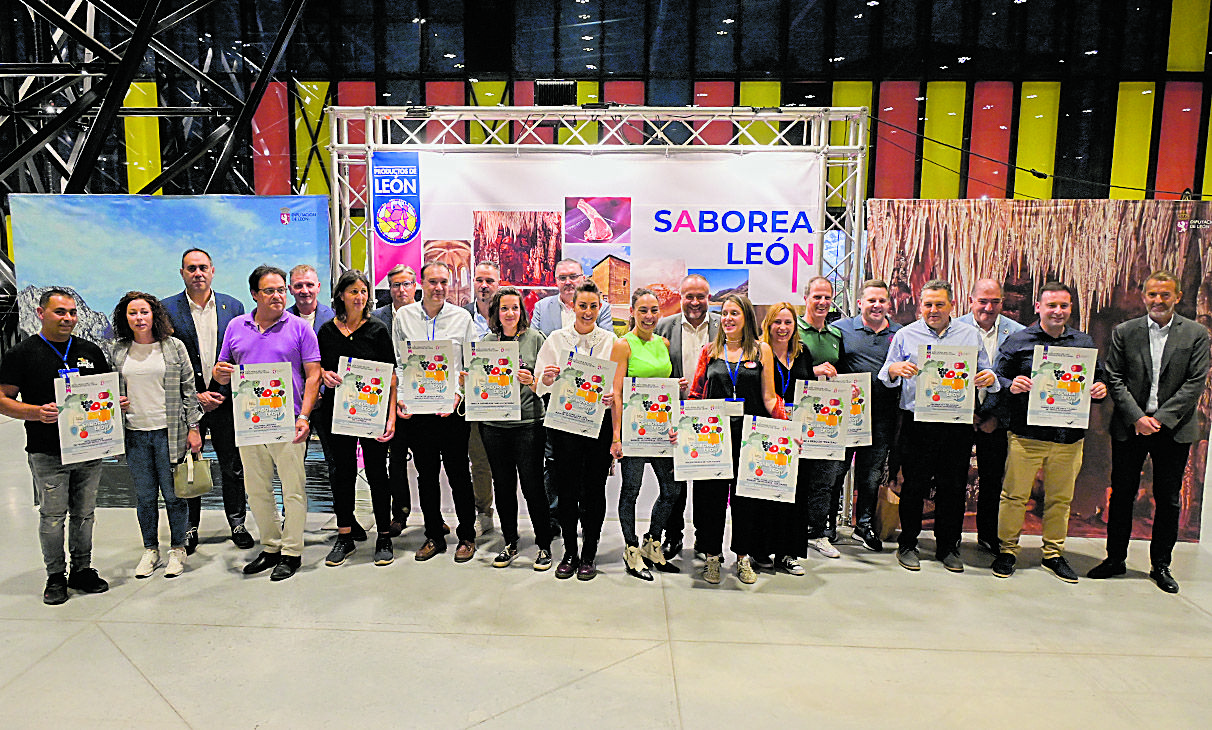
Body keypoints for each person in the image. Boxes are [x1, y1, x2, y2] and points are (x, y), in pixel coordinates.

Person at [1089, 271, 1211, 594]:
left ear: (1177, 297)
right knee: (1122, 494)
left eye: (1165, 295)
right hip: (1131, 427)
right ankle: (1115, 559)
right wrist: (1138, 417)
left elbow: (1195, 383)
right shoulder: (1124, 332)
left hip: (1175, 428)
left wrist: (1162, 418)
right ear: (1144, 297)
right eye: (1153, 295)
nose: (1158, 301)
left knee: (1168, 499)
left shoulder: (1196, 334)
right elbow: (1113, 376)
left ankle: (1161, 564)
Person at [987, 282, 1107, 583]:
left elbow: (1099, 379)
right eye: (1051, 305)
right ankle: (1008, 551)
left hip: (1068, 437)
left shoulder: (1083, 343)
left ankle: (1053, 553)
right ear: (1038, 307)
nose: (1057, 311)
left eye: (1063, 306)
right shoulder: (1018, 341)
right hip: (1026, 434)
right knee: (1014, 496)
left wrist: (1099, 389)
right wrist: (1009, 384)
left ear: (1070, 310)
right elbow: (996, 377)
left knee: (1060, 499)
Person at [878, 279, 1000, 573]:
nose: (933, 310)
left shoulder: (970, 335)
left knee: (953, 487)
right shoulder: (905, 335)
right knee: (913, 485)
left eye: (939, 304)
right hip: (916, 422)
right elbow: (885, 373)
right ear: (920, 306)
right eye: (928, 304)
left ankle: (948, 546)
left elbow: (988, 371)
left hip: (955, 423)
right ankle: (908, 544)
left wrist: (989, 379)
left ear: (951, 305)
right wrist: (895, 369)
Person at [0, 288, 113, 604]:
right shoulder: (21, 354)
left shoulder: (90, 351)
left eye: (72, 312)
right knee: (52, 516)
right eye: (60, 312)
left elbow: (102, 393)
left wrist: (117, 404)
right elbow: (2, 399)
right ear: (41, 313)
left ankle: (82, 570)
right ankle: (55, 577)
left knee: (85, 513)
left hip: (89, 448)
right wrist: (35, 413)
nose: (68, 318)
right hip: (47, 450)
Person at [213, 265, 322, 581]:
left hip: (289, 420)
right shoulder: (236, 326)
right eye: (269, 291)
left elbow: (314, 374)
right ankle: (271, 546)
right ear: (254, 294)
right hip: (249, 421)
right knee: (257, 489)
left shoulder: (300, 328)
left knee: (293, 490)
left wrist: (304, 416)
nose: (278, 296)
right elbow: (224, 368)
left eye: (280, 290)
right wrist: (220, 374)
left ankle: (292, 551)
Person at [687, 294, 784, 585]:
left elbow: (769, 397)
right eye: (725, 313)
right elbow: (695, 395)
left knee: (746, 499)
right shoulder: (710, 351)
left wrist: (787, 430)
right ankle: (712, 556)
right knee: (709, 499)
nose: (728, 318)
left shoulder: (760, 350)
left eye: (735, 313)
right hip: (712, 438)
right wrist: (682, 426)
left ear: (746, 318)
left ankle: (742, 556)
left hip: (749, 437)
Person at [163, 248, 252, 553]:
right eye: (191, 268)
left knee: (233, 465)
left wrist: (222, 391)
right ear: (182, 273)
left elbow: (242, 353)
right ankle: (189, 528)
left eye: (203, 267)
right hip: (189, 402)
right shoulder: (166, 310)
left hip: (226, 401)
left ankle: (238, 522)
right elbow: (167, 361)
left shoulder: (234, 306)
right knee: (189, 464)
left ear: (212, 270)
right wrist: (195, 396)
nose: (197, 273)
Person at [110, 292, 203, 579]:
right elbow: (109, 391)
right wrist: (116, 402)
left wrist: (194, 428)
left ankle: (178, 549)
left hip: (169, 433)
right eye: (132, 313)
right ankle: (150, 549)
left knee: (175, 496)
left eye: (144, 312)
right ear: (125, 318)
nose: (139, 318)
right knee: (145, 497)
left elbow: (189, 390)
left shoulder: (173, 347)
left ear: (154, 315)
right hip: (135, 435)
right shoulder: (118, 350)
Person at [393, 261, 480, 563]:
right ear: (421, 283)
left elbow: (469, 365)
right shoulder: (403, 317)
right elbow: (400, 363)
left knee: (458, 474)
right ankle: (433, 535)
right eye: (432, 281)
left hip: (452, 413)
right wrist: (402, 399)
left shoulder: (462, 318)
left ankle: (467, 535)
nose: (439, 287)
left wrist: (458, 396)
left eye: (443, 282)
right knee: (426, 475)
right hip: (419, 413)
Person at [534, 280, 617, 580]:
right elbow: (537, 383)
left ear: (600, 308)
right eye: (583, 306)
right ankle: (570, 552)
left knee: (594, 491)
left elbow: (615, 387)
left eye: (594, 306)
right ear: (572, 306)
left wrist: (610, 396)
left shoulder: (610, 341)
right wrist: (546, 376)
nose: (588, 311)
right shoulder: (556, 339)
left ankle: (589, 554)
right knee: (566, 490)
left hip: (598, 427)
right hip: (564, 425)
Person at [317, 271, 399, 567]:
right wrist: (325, 375)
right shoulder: (326, 331)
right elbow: (318, 371)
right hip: (337, 416)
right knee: (343, 473)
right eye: (353, 291)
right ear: (341, 295)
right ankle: (345, 536)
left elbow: (390, 377)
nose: (359, 296)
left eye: (363, 291)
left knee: (378, 473)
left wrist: (391, 418)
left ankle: (385, 536)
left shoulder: (377, 330)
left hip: (371, 415)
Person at [479, 287, 554, 571]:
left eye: (514, 308)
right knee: (504, 486)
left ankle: (543, 544)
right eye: (504, 309)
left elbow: (548, 382)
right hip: (494, 425)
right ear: (496, 313)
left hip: (528, 425)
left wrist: (533, 378)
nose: (510, 314)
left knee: (533, 486)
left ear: (522, 311)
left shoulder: (536, 340)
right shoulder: (487, 342)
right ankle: (510, 541)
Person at [609, 288, 681, 581]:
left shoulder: (663, 343)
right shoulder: (623, 345)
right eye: (643, 310)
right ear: (633, 312)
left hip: (661, 431)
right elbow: (616, 392)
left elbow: (664, 387)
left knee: (671, 490)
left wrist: (679, 388)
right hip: (634, 432)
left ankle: (652, 542)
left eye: (654, 310)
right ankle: (631, 549)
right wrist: (616, 436)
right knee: (631, 491)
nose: (649, 316)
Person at [956, 278, 1025, 553]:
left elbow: (1017, 379)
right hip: (959, 419)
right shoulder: (953, 329)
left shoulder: (1018, 333)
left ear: (1002, 302)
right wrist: (965, 413)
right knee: (953, 479)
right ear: (971, 300)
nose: (988, 307)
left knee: (993, 480)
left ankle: (988, 534)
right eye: (982, 301)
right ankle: (951, 535)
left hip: (997, 421)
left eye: (995, 301)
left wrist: (995, 416)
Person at [653, 274, 719, 561]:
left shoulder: (723, 326)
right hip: (675, 415)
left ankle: (705, 541)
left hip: (710, 417)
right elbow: (652, 370)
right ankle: (673, 536)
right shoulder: (664, 327)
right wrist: (668, 384)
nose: (694, 302)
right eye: (688, 296)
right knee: (675, 483)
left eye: (700, 296)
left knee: (707, 486)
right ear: (680, 298)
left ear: (709, 297)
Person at [833, 280, 902, 551]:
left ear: (888, 304)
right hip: (845, 417)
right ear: (859, 302)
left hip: (883, 418)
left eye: (882, 301)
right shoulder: (840, 330)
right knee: (836, 471)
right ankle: (828, 524)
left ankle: (864, 525)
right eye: (871, 300)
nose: (877, 305)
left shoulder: (900, 333)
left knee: (871, 476)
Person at [755, 302, 812, 576]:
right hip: (768, 431)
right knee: (766, 491)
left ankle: (788, 553)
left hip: (798, 434)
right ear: (768, 325)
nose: (783, 328)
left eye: (788, 322)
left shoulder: (803, 353)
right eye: (777, 322)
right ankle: (761, 550)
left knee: (796, 494)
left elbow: (810, 391)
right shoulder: (757, 353)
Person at [288, 264, 342, 534]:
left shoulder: (336, 318)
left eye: (309, 284)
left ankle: (343, 518)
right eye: (298, 285)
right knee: (292, 466)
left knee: (337, 463)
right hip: (294, 407)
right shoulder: (281, 320)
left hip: (330, 405)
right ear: (290, 289)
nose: (304, 290)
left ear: (319, 287)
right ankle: (292, 522)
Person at [796, 276, 847, 558]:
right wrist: (811, 373)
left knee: (825, 477)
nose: (823, 302)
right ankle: (793, 529)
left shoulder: (836, 335)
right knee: (797, 475)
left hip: (827, 419)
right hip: (798, 414)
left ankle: (817, 533)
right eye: (817, 296)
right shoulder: (792, 331)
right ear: (806, 298)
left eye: (827, 297)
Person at [371, 264, 416, 535]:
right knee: (396, 462)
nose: (401, 290)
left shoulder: (425, 316)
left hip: (421, 400)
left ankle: (433, 515)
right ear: (390, 288)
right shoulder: (376, 318)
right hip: (387, 402)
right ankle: (399, 513)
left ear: (415, 286)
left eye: (406, 284)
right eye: (396, 285)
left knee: (426, 463)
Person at [463, 260, 500, 537]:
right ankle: (484, 513)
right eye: (479, 280)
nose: (484, 285)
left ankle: (512, 515)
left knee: (507, 462)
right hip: (474, 400)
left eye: (489, 280)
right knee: (479, 460)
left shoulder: (510, 316)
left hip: (504, 400)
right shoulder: (460, 316)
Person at [530, 258, 614, 336]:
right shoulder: (541, 307)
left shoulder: (601, 307)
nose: (568, 282)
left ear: (584, 279)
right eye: (562, 278)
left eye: (573, 277)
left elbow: (608, 343)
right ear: (556, 281)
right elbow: (534, 343)